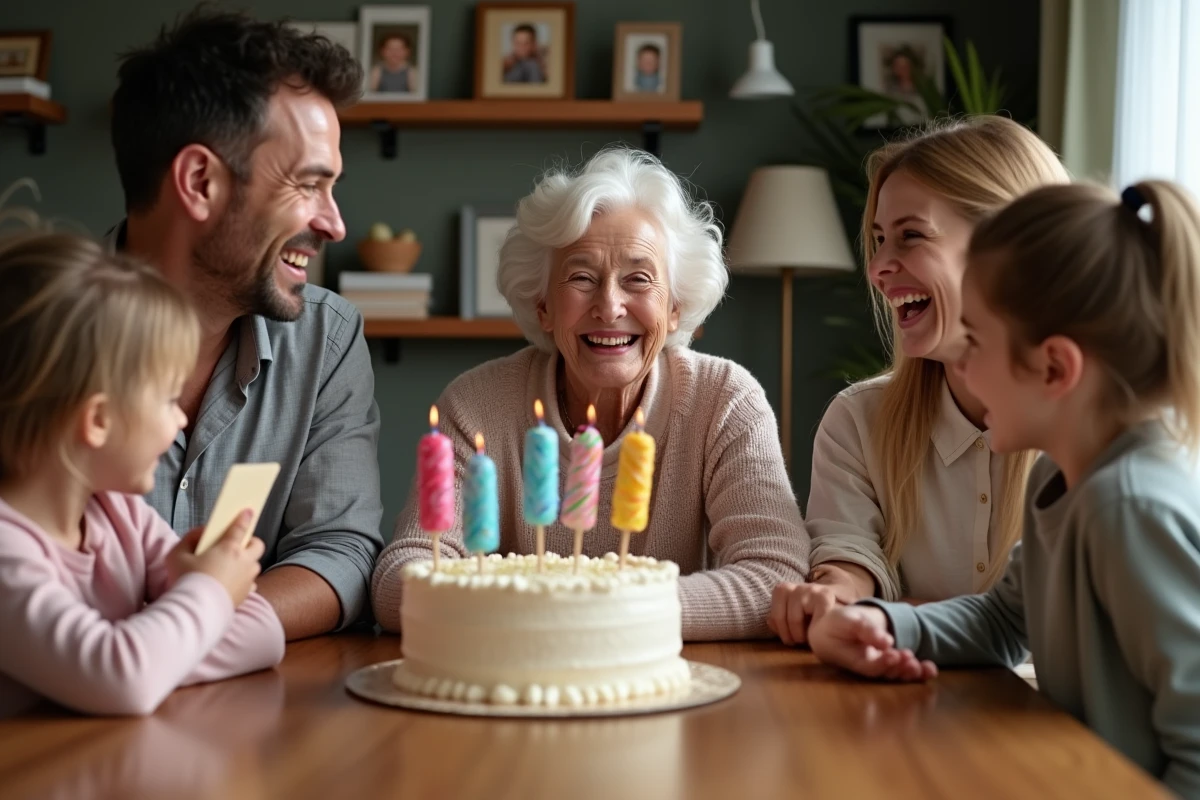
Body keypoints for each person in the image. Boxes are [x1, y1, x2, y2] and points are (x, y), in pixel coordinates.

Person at [809, 179, 1200, 798]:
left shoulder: (1127, 507)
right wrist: (888, 626)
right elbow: (1006, 618)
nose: (958, 367)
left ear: (1054, 368)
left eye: (976, 343)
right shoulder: (1060, 478)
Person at [371, 148, 810, 640]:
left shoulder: (725, 401)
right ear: (543, 307)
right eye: (581, 278)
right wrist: (563, 613)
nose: (609, 305)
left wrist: (595, 610)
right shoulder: (476, 406)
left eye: (638, 279)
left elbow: (777, 576)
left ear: (675, 309)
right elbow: (398, 581)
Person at [108, 8, 383, 641]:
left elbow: (340, 552)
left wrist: (178, 641)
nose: (334, 224)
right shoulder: (29, 341)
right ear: (200, 181)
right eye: (309, 186)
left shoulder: (328, 341)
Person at [768, 116, 1070, 646]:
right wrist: (839, 597)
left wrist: (898, 613)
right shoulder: (858, 418)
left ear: (1008, 247)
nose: (879, 267)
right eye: (879, 240)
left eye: (911, 236)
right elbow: (850, 557)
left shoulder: (1091, 438)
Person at [0, 233, 284, 717]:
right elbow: (124, 679)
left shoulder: (120, 514)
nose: (180, 420)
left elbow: (263, 634)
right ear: (98, 421)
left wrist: (149, 657)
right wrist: (208, 592)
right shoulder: (9, 551)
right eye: (169, 399)